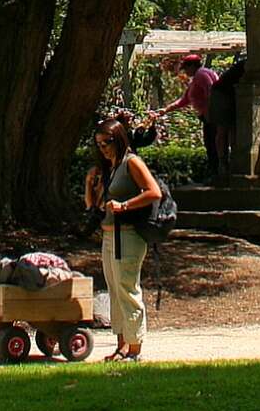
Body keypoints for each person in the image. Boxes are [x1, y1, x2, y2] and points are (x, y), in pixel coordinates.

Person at [84, 114, 164, 362]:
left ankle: (135, 347)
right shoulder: (110, 168)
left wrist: (125, 205)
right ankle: (121, 346)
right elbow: (92, 206)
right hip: (109, 236)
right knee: (115, 292)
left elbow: (154, 192)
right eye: (98, 144)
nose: (102, 149)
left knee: (128, 289)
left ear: (117, 139)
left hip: (128, 236)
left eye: (106, 143)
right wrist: (90, 183)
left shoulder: (132, 163)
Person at [152, 53, 220, 182]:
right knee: (210, 145)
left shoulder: (202, 74)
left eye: (186, 68)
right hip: (208, 118)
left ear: (192, 66)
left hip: (212, 118)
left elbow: (211, 92)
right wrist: (165, 110)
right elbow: (185, 100)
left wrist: (209, 113)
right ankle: (215, 174)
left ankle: (217, 175)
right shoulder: (197, 78)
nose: (185, 71)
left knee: (213, 146)